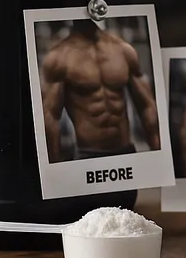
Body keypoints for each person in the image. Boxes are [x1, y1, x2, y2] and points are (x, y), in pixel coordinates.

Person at [40, 19, 161, 163]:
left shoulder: (123, 50)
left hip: (125, 151)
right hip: (89, 155)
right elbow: (50, 116)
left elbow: (146, 105)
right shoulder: (59, 57)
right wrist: (55, 165)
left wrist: (158, 152)